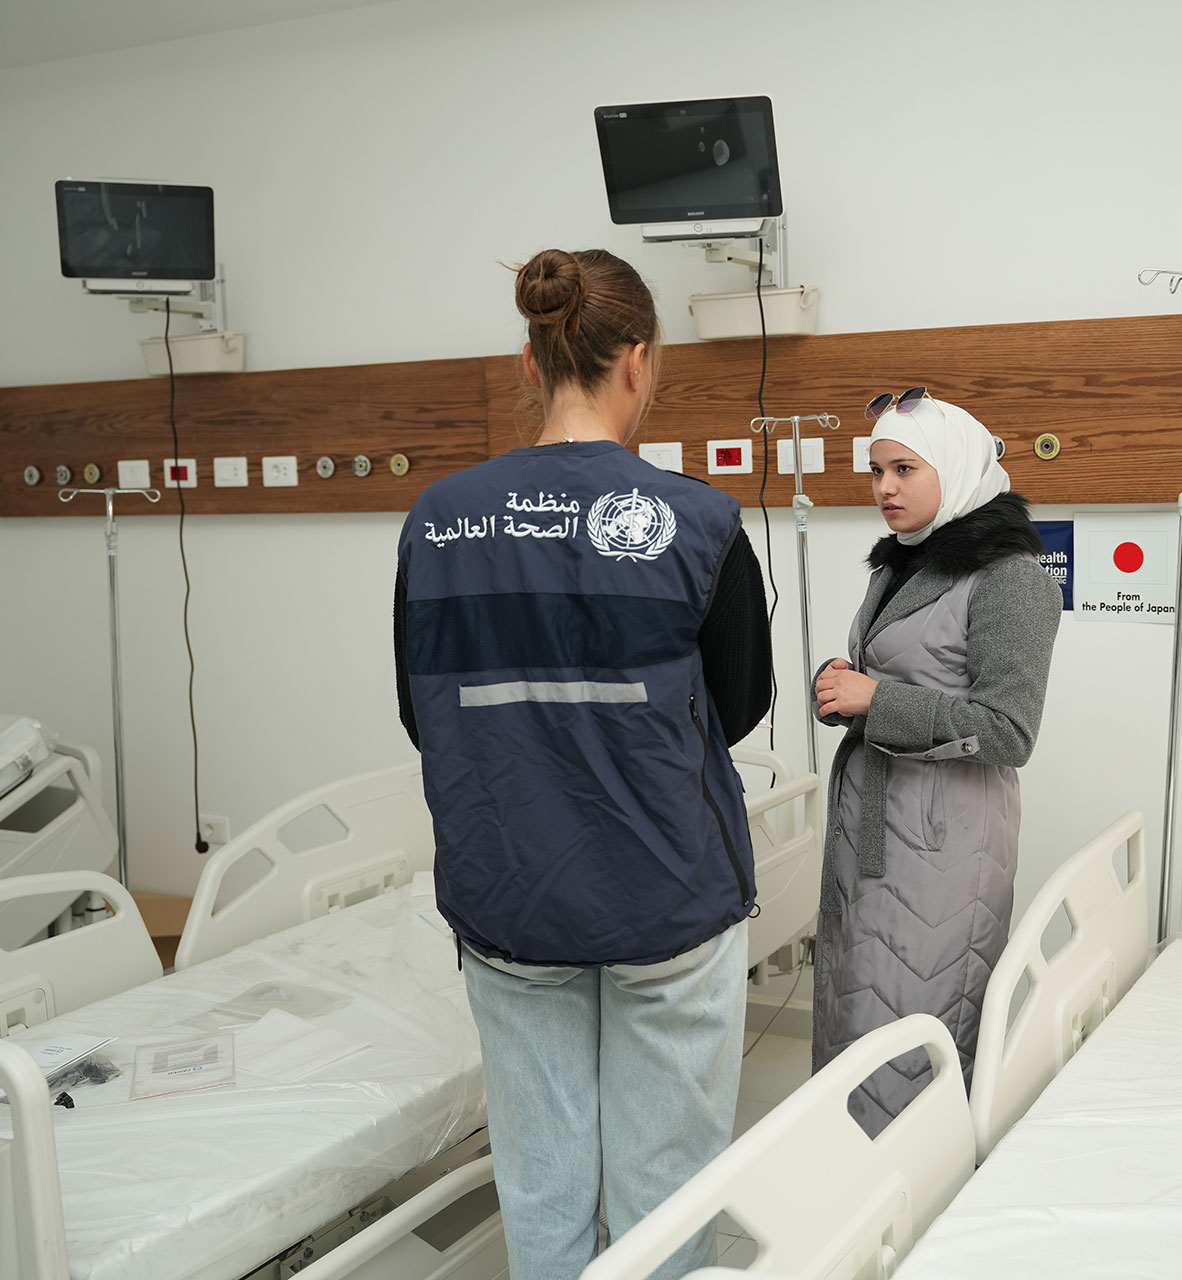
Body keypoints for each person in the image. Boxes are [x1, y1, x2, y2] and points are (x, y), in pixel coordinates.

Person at [393, 248, 771, 1280]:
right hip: (667, 894)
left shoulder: (439, 523)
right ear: (637, 362)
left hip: (509, 893)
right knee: (667, 1187)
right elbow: (737, 708)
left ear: (530, 360)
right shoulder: (698, 523)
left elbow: (423, 712)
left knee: (543, 1177)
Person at [810, 388, 1062, 1136]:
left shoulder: (1012, 577)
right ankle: (848, 1176)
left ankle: (915, 1190)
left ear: (955, 470)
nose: (884, 488)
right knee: (855, 997)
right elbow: (894, 678)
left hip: (943, 840)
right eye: (876, 470)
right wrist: (841, 686)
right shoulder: (901, 563)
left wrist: (875, 698)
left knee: (917, 1014)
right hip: (875, 821)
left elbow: (1010, 730)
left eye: (904, 470)